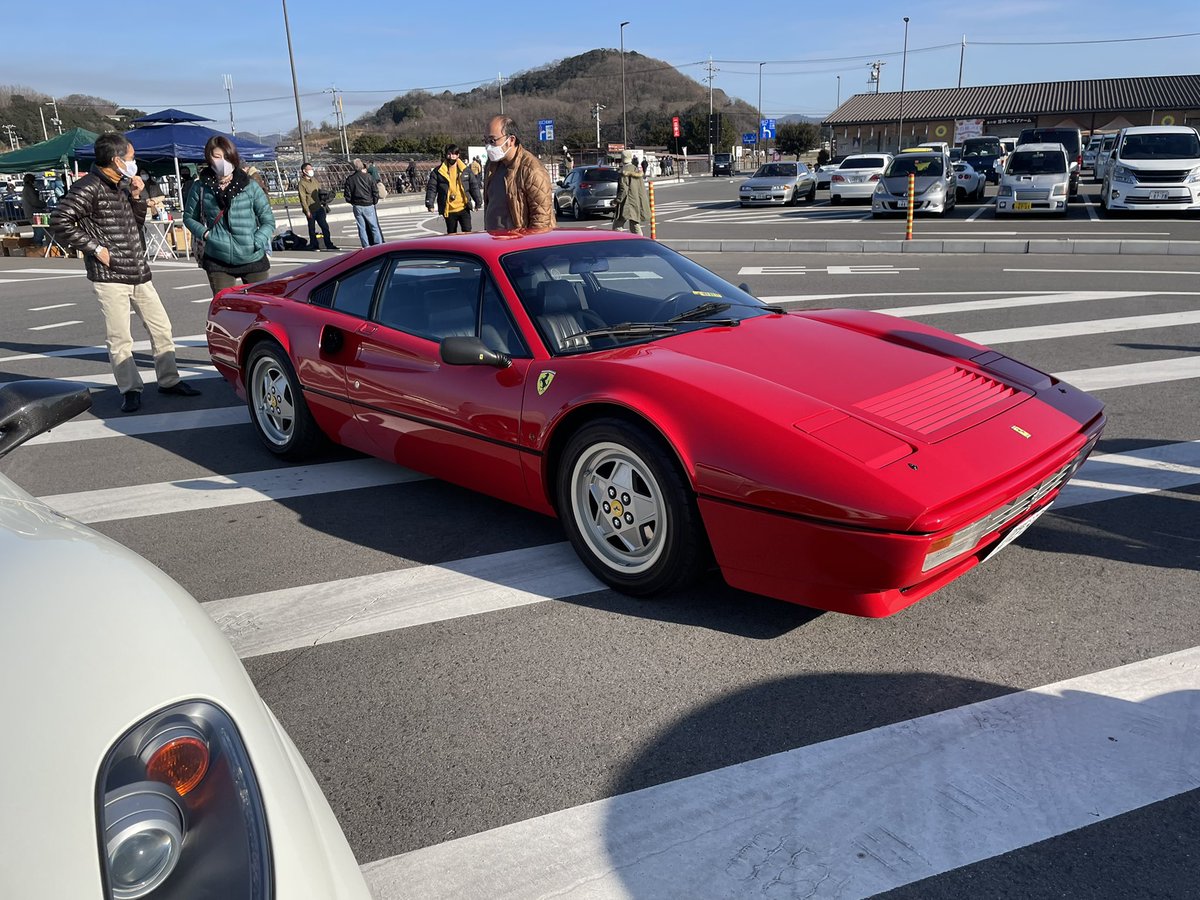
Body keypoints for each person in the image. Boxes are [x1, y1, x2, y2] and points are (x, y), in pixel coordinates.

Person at [49, 132, 201, 413]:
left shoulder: (121, 185)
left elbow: (135, 223)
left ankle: (169, 380)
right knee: (120, 337)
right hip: (109, 275)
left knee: (161, 327)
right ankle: (130, 389)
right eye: (131, 158)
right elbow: (59, 219)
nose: (133, 164)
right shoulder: (88, 187)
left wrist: (136, 196)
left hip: (138, 269)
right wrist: (95, 248)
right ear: (117, 159)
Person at [184, 135, 276, 296]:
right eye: (217, 157)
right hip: (217, 258)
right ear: (209, 158)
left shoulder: (250, 186)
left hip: (253, 256)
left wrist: (258, 240)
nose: (223, 162)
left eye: (226, 156)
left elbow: (268, 220)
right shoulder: (200, 186)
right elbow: (189, 217)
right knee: (225, 309)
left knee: (261, 308)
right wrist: (206, 234)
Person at [482, 115, 554, 231]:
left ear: (511, 140)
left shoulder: (532, 170)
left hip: (519, 244)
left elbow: (541, 219)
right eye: (485, 141)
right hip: (494, 241)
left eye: (492, 141)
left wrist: (527, 246)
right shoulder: (491, 166)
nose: (488, 146)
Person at [425, 144, 482, 233]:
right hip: (449, 209)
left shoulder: (465, 170)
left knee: (468, 232)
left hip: (464, 207)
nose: (452, 156)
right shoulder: (438, 172)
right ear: (446, 155)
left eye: (454, 154)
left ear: (458, 155)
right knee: (451, 234)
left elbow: (473, 186)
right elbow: (432, 188)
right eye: (449, 154)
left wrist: (478, 201)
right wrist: (429, 203)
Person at [297, 161, 338, 251]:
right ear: (304, 171)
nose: (312, 170)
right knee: (312, 228)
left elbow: (319, 192)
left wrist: (326, 197)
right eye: (310, 169)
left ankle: (328, 243)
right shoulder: (302, 183)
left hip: (319, 208)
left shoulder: (314, 180)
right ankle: (313, 244)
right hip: (310, 209)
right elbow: (302, 198)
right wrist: (307, 211)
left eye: (312, 169)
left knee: (325, 226)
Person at [344, 157, 383, 246]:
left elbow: (347, 194)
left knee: (361, 228)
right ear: (362, 166)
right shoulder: (368, 177)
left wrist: (352, 202)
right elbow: (375, 190)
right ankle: (378, 244)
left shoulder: (350, 179)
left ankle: (365, 245)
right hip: (368, 204)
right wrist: (374, 201)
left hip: (357, 205)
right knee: (374, 227)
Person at [613, 149, 649, 234]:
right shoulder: (636, 169)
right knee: (635, 223)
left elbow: (623, 189)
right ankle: (640, 242)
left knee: (617, 225)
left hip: (626, 201)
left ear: (622, 158)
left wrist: (617, 200)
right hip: (636, 200)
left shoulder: (624, 172)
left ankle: (620, 243)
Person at [21, 174, 47, 244]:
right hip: (34, 213)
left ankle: (37, 246)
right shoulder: (29, 189)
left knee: (38, 231)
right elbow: (34, 202)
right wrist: (44, 204)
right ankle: (37, 247)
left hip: (31, 212)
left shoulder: (27, 188)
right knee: (39, 231)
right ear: (31, 181)